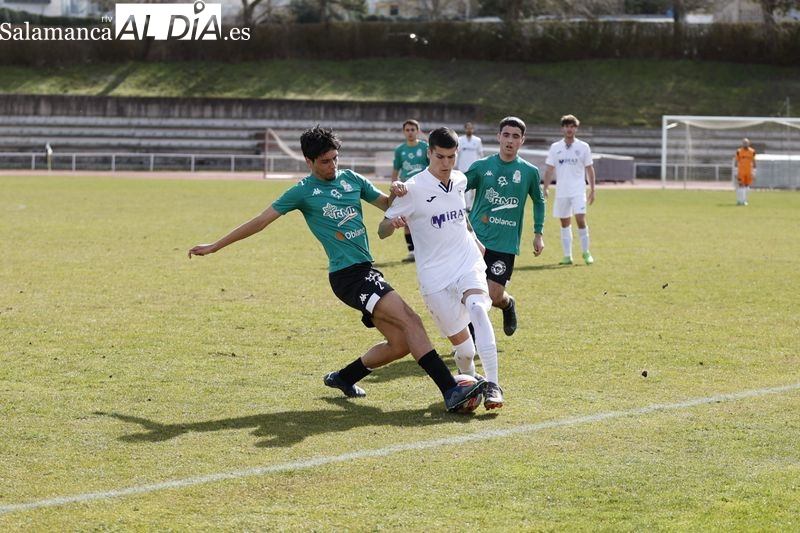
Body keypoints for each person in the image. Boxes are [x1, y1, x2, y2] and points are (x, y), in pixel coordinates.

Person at [188, 125, 484, 413]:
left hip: (366, 270)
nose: (332, 166)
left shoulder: (352, 180)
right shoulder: (302, 192)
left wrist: (398, 190)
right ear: (309, 161)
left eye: (335, 159)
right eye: (325, 162)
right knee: (412, 321)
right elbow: (260, 221)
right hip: (347, 276)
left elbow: (389, 207)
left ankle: (344, 377)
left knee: (401, 344)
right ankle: (450, 390)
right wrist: (215, 245)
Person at [378, 127, 504, 410]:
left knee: (478, 309)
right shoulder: (411, 188)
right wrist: (393, 224)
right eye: (440, 157)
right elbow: (381, 230)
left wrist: (476, 240)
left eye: (451, 157)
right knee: (465, 350)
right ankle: (471, 383)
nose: (446, 164)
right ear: (428, 154)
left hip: (466, 262)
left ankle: (494, 385)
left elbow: (462, 218)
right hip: (434, 276)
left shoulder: (459, 180)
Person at [464, 116, 545, 337]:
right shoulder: (482, 167)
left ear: (522, 140)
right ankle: (470, 341)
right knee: (471, 293)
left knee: (494, 295)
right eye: (506, 135)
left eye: (515, 136)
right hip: (476, 240)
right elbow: (458, 186)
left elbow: (539, 201)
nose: (510, 140)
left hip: (505, 244)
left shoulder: (529, 171)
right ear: (498, 136)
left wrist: (538, 234)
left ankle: (508, 305)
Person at [542, 114, 596, 266]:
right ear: (562, 128)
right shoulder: (555, 147)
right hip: (562, 191)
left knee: (580, 219)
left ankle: (586, 252)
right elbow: (549, 169)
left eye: (572, 126)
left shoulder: (583, 147)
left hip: (578, 190)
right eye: (566, 126)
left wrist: (592, 189)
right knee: (565, 223)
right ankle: (567, 256)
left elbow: (589, 168)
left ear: (576, 128)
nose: (569, 129)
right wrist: (545, 188)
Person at [391, 119, 429, 263]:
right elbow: (396, 170)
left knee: (425, 219)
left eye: (413, 129)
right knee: (406, 220)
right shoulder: (400, 150)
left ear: (418, 131)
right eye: (407, 130)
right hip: (406, 190)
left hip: (423, 188)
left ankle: (425, 250)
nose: (410, 132)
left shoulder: (425, 147)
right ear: (404, 132)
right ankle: (412, 251)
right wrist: (393, 187)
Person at [457, 121, 484, 212]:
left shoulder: (477, 140)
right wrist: (455, 166)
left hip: (474, 168)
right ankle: (464, 206)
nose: (469, 130)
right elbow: (457, 153)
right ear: (465, 129)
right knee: (463, 188)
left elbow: (481, 154)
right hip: (462, 168)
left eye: (470, 128)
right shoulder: (460, 140)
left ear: (473, 129)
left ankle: (471, 206)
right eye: (467, 128)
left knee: (473, 189)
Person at [734, 137, 756, 206]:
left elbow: (754, 162)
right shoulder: (739, 151)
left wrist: (754, 171)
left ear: (749, 143)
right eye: (744, 143)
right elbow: (736, 162)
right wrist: (735, 171)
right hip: (741, 172)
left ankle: (745, 200)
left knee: (747, 186)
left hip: (749, 172)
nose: (745, 144)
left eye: (746, 143)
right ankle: (739, 200)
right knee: (741, 185)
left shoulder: (752, 151)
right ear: (742, 144)